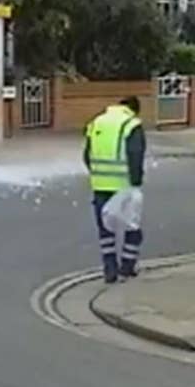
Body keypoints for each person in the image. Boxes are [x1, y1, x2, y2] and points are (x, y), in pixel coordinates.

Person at [83, 96, 146, 283]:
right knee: (132, 228)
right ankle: (127, 267)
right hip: (124, 185)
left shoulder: (96, 122)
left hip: (100, 185)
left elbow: (87, 155)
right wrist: (136, 182)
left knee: (105, 231)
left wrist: (97, 174)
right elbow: (135, 154)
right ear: (134, 109)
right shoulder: (132, 124)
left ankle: (109, 268)